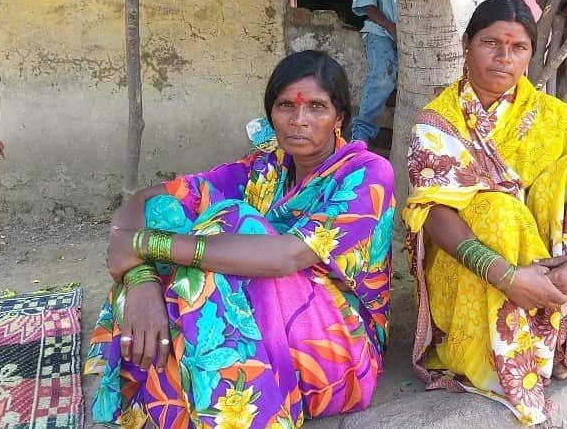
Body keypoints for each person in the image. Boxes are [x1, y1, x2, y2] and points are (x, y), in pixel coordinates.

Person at [86, 50, 395, 428]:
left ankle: (243, 413)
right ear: (271, 115)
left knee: (233, 227)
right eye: (285, 107)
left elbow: (286, 257)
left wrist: (143, 247)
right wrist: (140, 280)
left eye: (316, 107)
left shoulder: (367, 173)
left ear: (339, 118)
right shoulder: (262, 169)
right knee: (172, 218)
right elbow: (146, 199)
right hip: (271, 324)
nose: (299, 120)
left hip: (338, 351)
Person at [403, 0, 567, 426]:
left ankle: (558, 338)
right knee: (499, 211)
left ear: (530, 55)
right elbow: (432, 214)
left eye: (518, 47)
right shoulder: (438, 121)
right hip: (473, 268)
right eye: (490, 43)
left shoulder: (553, 116)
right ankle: (509, 352)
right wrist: (506, 276)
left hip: (551, 267)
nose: (503, 58)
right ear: (466, 45)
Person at [350, 0, 398, 144]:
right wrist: (392, 28)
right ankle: (361, 133)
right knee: (384, 73)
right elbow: (368, 7)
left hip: (410, 33)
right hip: (379, 31)